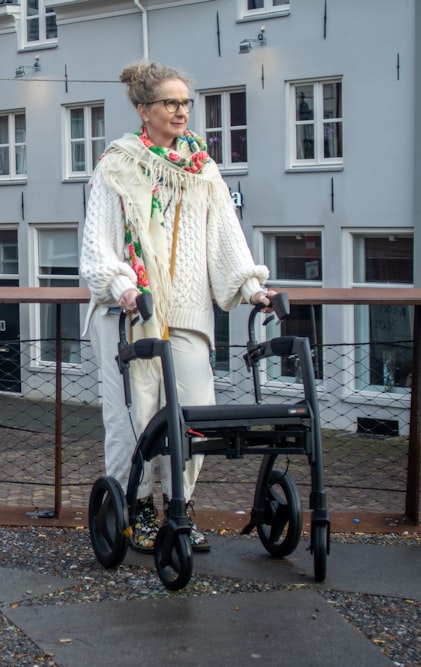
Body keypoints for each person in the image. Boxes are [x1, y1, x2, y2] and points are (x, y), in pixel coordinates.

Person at [80, 61, 275, 554]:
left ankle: (181, 510)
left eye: (186, 102)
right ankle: (139, 508)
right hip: (129, 314)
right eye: (170, 102)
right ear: (144, 110)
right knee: (133, 420)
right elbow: (97, 246)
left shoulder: (203, 169)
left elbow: (225, 238)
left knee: (195, 412)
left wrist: (251, 287)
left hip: (188, 312)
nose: (181, 110)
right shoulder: (116, 165)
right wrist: (120, 285)